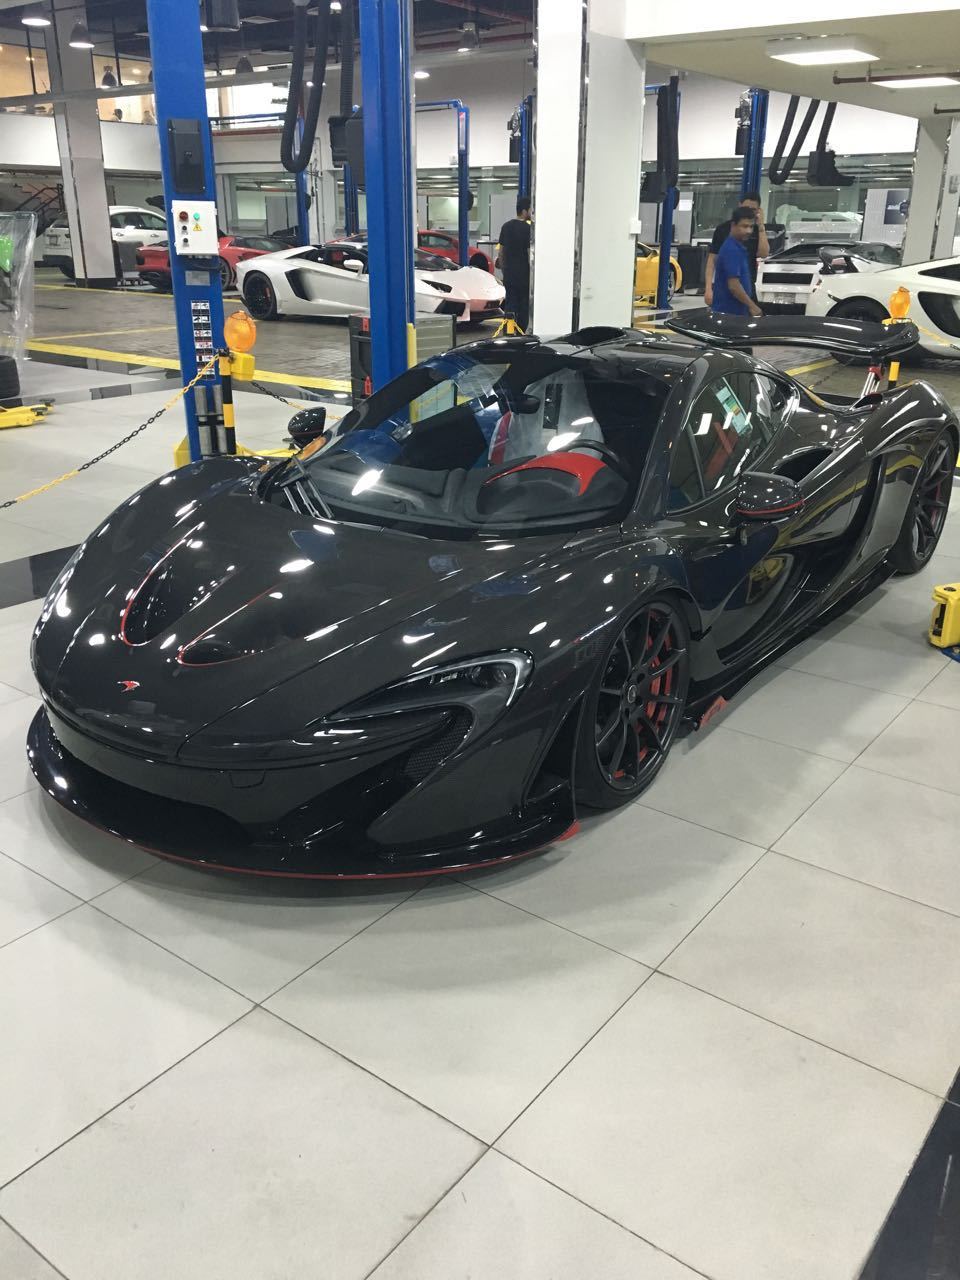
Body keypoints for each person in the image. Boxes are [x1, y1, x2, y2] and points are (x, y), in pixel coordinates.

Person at [704, 190, 769, 307]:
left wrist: (761, 227)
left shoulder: (755, 230)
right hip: (725, 290)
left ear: (758, 211)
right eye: (746, 208)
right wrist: (708, 288)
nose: (747, 230)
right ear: (739, 206)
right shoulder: (724, 232)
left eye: (753, 210)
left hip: (748, 287)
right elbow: (712, 260)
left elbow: (763, 253)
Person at [709, 207, 762, 318]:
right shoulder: (732, 249)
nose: (749, 231)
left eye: (751, 227)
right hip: (728, 314)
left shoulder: (738, 247)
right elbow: (734, 286)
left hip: (735, 313)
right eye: (744, 226)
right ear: (733, 225)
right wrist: (752, 306)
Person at [497, 195, 532, 331]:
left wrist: (504, 269)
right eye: (530, 210)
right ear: (524, 211)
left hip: (509, 274)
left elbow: (501, 251)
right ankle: (521, 331)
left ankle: (509, 331)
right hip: (524, 274)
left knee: (510, 303)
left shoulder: (506, 227)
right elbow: (529, 253)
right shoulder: (528, 229)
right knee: (523, 304)